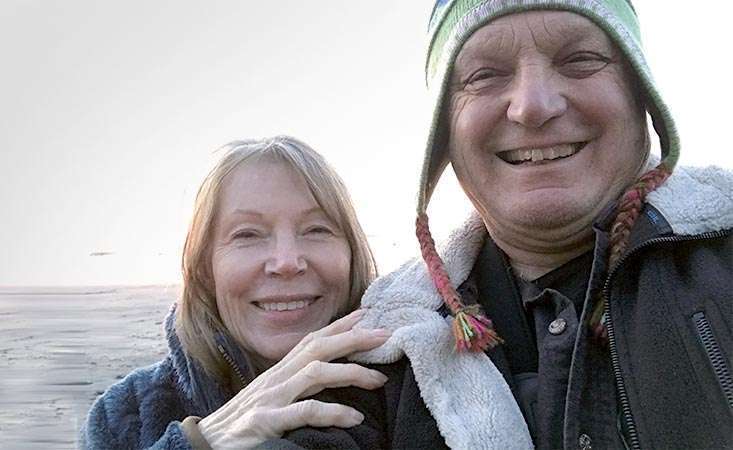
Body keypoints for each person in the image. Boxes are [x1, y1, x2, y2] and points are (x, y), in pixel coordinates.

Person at [260, 1, 733, 449]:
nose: (532, 106)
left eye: (581, 59)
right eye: (484, 75)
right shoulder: (388, 340)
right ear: (445, 133)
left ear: (643, 98)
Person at [80, 136, 391, 449]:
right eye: (248, 234)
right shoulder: (124, 417)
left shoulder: (411, 387)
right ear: (204, 267)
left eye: (317, 230)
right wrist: (201, 442)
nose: (286, 262)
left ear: (352, 255)